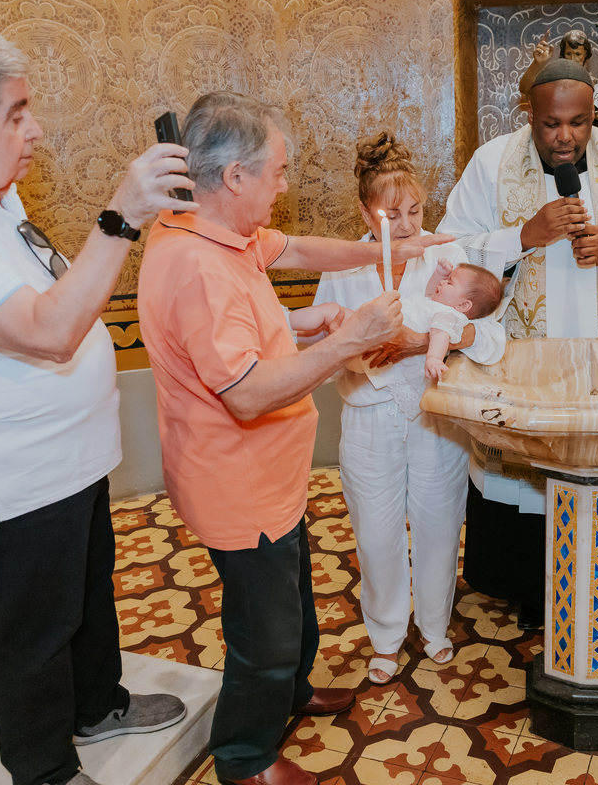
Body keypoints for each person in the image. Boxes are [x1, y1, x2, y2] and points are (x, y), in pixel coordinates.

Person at [0, 19, 191, 785]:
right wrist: (121, 215)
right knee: (29, 635)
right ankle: (44, 768)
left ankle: (97, 705)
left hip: (63, 455)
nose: (36, 131)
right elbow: (47, 332)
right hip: (3, 474)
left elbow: (48, 286)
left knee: (83, 596)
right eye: (15, 114)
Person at [138, 93, 448, 785]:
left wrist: (388, 252)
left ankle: (295, 694)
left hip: (271, 479)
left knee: (297, 604)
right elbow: (245, 393)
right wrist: (350, 342)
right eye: (277, 172)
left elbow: (298, 250)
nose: (285, 184)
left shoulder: (214, 224)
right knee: (263, 636)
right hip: (236, 485)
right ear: (236, 178)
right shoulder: (196, 264)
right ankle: (245, 758)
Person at [437, 57, 598, 630]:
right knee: (529, 484)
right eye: (552, 123)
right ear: (529, 114)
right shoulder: (493, 163)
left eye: (579, 122)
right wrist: (522, 236)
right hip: (526, 365)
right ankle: (530, 591)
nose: (566, 137)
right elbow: (450, 250)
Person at [313, 133, 506, 684]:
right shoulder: (345, 266)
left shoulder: (445, 254)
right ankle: (386, 635)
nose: (406, 226)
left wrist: (425, 342)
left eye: (416, 210)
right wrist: (355, 352)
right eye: (391, 214)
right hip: (368, 420)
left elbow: (491, 338)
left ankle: (436, 627)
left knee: (439, 526)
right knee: (376, 535)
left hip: (435, 420)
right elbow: (324, 355)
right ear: (364, 211)